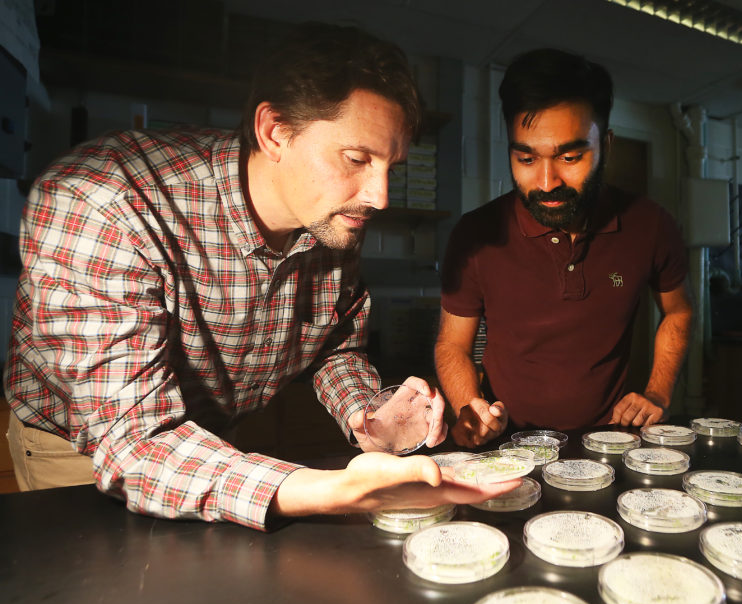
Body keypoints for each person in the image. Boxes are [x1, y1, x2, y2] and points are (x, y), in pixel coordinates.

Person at [3, 23, 516, 530]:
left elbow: (335, 345)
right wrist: (330, 491)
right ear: (275, 131)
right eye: (357, 158)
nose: (379, 196)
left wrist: (368, 414)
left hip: (216, 442)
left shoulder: (334, 217)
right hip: (81, 449)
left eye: (392, 168)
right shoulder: (103, 199)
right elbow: (134, 443)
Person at [435, 48, 692, 448]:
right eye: (525, 158)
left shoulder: (651, 225)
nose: (547, 181)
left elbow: (678, 310)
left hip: (611, 445)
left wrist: (658, 391)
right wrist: (470, 406)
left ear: (605, 143)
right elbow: (452, 345)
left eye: (571, 156)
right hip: (508, 445)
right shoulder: (475, 234)